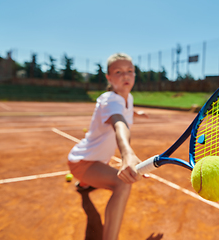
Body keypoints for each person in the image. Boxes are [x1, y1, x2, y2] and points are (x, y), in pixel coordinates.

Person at [68, 53, 146, 240]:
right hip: (82, 162)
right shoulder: (109, 99)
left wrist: (136, 113)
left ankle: (85, 185)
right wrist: (127, 152)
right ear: (109, 78)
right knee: (122, 183)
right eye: (118, 72)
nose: (125, 75)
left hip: (95, 161)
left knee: (101, 178)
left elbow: (124, 112)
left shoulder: (128, 98)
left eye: (130, 71)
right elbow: (119, 122)